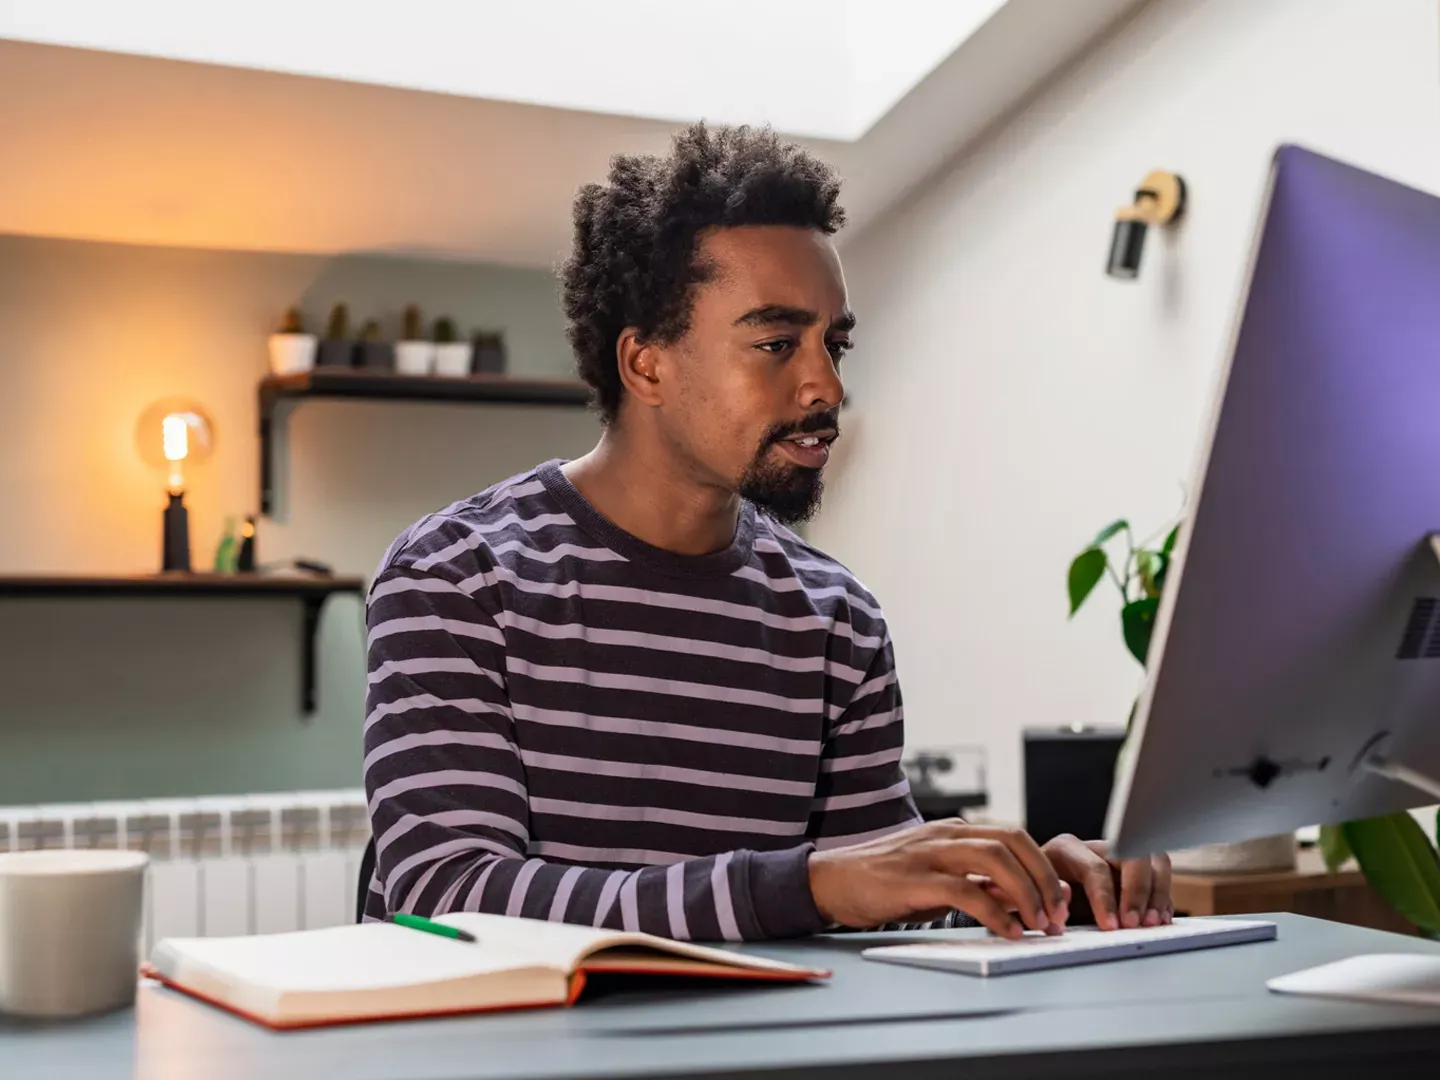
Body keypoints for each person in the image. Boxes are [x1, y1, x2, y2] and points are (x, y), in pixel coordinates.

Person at [363, 123, 1172, 941]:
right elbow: (445, 894)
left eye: (835, 344)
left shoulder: (834, 616)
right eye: (778, 343)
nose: (826, 383)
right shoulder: (456, 577)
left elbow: (879, 923)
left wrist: (1042, 901)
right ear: (646, 364)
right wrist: (805, 887)